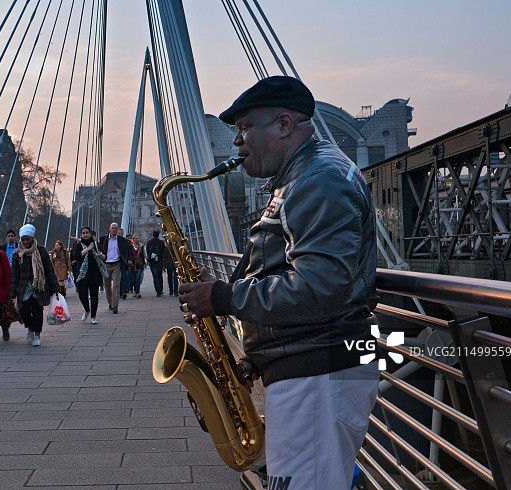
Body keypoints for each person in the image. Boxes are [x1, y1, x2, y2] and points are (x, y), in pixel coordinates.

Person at [177, 76, 379, 488]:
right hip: (310, 370)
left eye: (245, 127)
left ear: (284, 124)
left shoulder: (318, 181)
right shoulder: (301, 179)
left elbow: (319, 289)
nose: (237, 142)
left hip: (319, 378)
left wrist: (223, 296)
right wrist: (261, 355)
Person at [10, 224, 59, 347]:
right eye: (23, 240)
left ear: (32, 238)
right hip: (24, 288)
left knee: (37, 311)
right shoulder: (17, 253)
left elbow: (49, 270)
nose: (26, 242)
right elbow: (15, 274)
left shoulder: (41, 251)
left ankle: (37, 335)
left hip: (39, 287)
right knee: (24, 311)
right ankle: (30, 328)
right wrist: (12, 292)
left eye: (28, 239)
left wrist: (55, 288)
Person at [70, 226, 107, 324]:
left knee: (94, 296)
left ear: (90, 234)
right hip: (82, 275)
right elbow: (77, 256)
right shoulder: (78, 245)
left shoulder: (96, 244)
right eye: (83, 233)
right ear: (81, 235)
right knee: (82, 295)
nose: (85, 234)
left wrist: (101, 255)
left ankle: (93, 317)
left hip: (94, 274)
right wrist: (88, 249)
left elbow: (104, 257)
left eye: (87, 233)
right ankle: (87, 309)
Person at [97, 222, 131, 314]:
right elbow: (99, 249)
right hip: (106, 265)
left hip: (117, 264)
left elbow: (126, 251)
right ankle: (111, 304)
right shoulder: (103, 239)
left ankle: (115, 306)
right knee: (107, 287)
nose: (114, 230)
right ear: (109, 228)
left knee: (116, 286)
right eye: (113, 228)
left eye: (116, 228)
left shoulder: (122, 240)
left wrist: (127, 260)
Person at [146, 229, 166, 297]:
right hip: (159, 261)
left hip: (152, 262)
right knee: (160, 275)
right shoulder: (161, 242)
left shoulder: (149, 242)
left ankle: (158, 291)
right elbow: (163, 252)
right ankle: (161, 289)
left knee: (155, 276)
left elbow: (148, 251)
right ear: (158, 234)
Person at [117, 227, 130, 300]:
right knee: (117, 278)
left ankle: (123, 292)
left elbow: (129, 252)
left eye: (121, 233)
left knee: (123, 277)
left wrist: (129, 259)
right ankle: (119, 292)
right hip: (116, 262)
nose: (120, 235)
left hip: (123, 262)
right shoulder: (114, 241)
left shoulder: (126, 242)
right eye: (119, 233)